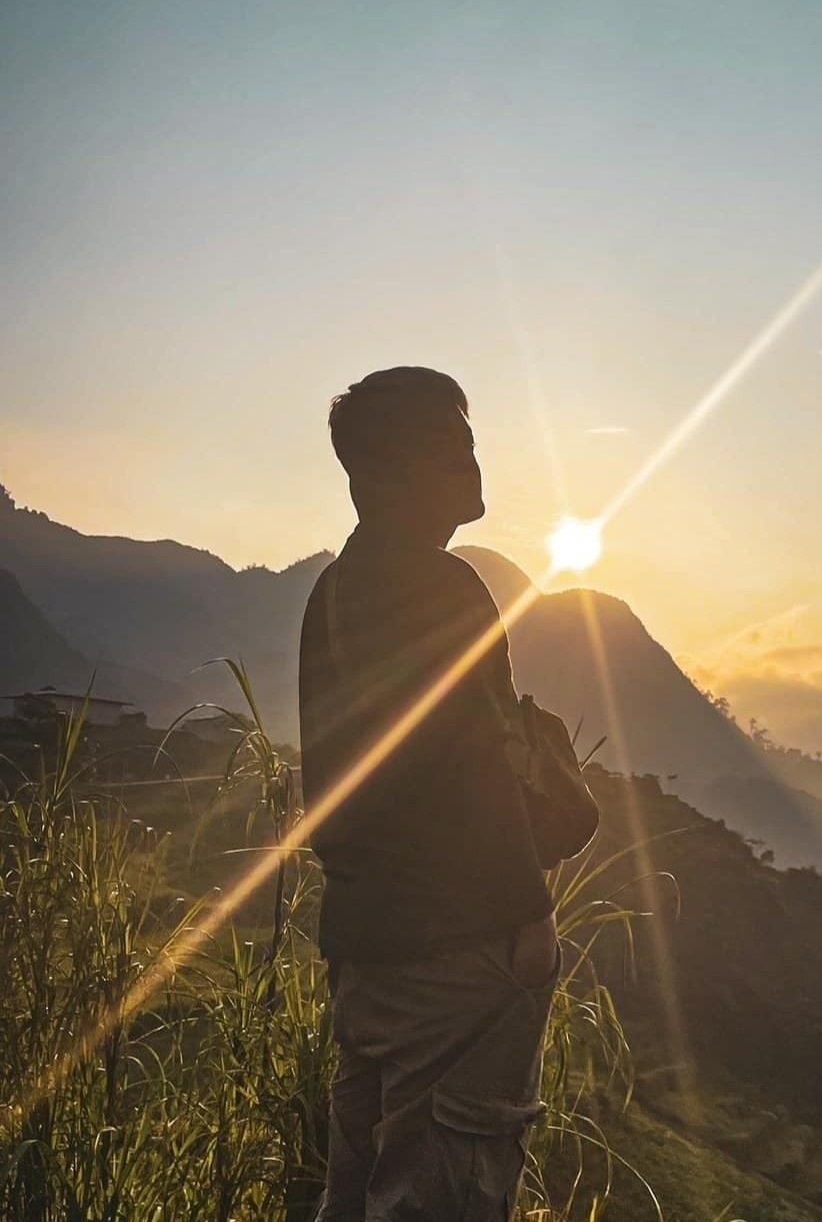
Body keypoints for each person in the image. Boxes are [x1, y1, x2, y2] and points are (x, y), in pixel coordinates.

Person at [300, 366, 565, 1220]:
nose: (470, 460)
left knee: (361, 1188)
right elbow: (478, 771)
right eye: (444, 444)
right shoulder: (445, 588)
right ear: (378, 475)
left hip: (369, 954)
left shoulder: (334, 590)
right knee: (448, 1191)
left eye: (467, 438)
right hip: (457, 958)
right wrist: (529, 918)